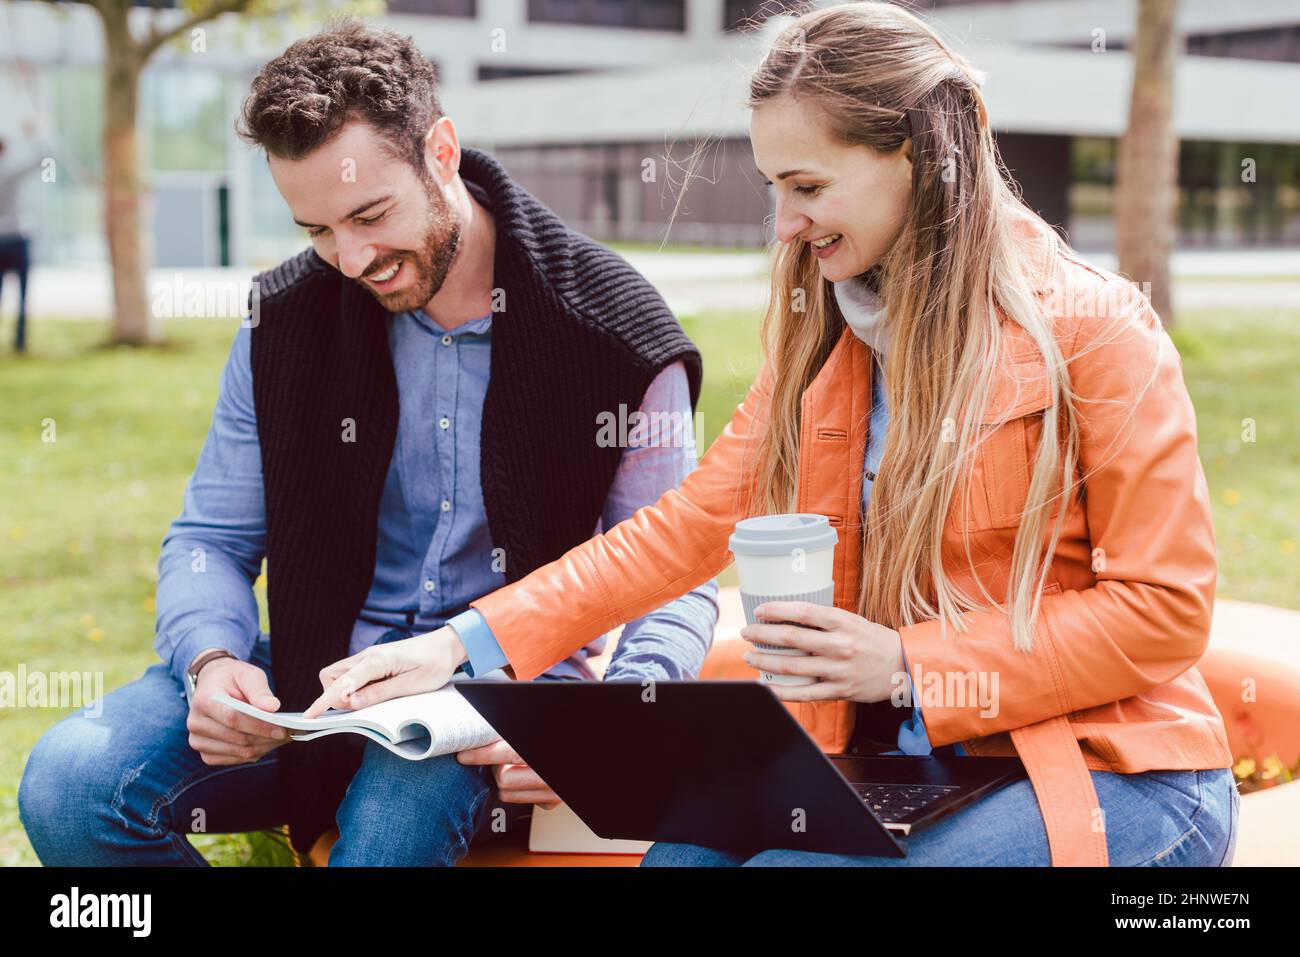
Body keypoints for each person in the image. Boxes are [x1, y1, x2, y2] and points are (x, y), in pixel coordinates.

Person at [305, 3, 1239, 867]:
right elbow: (682, 530)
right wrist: (463, 643)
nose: (785, 223)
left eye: (807, 185)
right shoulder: (829, 343)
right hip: (913, 764)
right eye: (773, 187)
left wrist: (907, 665)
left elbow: (1163, 607)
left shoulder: (1098, 331)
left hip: (1117, 766)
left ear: (919, 156)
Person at [17, 20, 718, 866]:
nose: (349, 259)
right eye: (316, 230)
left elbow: (671, 577)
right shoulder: (283, 322)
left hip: (490, 703)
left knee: (390, 835)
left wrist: (599, 728)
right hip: (311, 678)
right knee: (67, 784)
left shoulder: (618, 335)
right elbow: (210, 537)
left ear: (443, 152)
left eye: (370, 214)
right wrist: (210, 660)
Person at [0, 120, 43, 353]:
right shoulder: (12, 170)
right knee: (23, 295)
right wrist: (34, 136)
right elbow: (44, 160)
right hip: (17, 238)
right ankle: (20, 342)